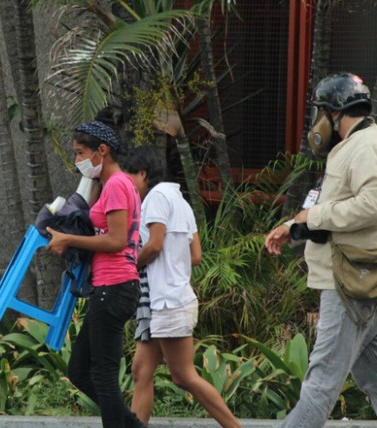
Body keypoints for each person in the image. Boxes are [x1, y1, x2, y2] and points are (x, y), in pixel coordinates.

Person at [264, 72, 377, 427]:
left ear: (334, 113)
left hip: (347, 281)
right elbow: (332, 212)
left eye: (321, 113)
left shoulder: (366, 145)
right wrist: (295, 227)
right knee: (373, 375)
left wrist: (315, 215)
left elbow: (372, 203)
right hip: (356, 274)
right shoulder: (350, 147)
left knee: (322, 382)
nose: (318, 123)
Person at [124, 147, 241, 427]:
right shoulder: (180, 200)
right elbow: (196, 255)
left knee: (183, 376)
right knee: (141, 371)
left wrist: (130, 267)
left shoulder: (154, 198)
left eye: (130, 182)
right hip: (171, 298)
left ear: (143, 174)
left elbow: (154, 244)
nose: (129, 190)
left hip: (169, 301)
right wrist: (171, 265)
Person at [46, 120, 144, 428]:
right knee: (80, 371)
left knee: (102, 375)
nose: (78, 161)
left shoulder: (116, 184)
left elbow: (116, 241)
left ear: (102, 151)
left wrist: (68, 239)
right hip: (109, 287)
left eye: (80, 153)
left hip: (114, 287)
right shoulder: (112, 184)